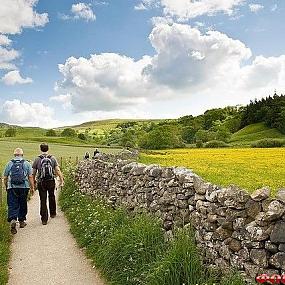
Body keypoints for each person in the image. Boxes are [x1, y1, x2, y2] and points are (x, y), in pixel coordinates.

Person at [3, 148, 34, 234]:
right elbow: (30, 176)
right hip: (24, 187)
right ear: (22, 155)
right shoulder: (27, 163)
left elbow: (5, 177)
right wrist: (32, 187)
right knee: (22, 203)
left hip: (12, 187)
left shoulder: (9, 163)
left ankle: (13, 219)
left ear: (14, 155)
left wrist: (6, 186)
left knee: (12, 204)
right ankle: (21, 221)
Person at [32, 143, 64, 225]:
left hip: (41, 182)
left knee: (43, 199)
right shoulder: (52, 158)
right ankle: (53, 213)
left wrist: (33, 183)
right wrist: (61, 179)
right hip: (51, 181)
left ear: (40, 149)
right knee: (52, 195)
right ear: (48, 149)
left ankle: (44, 219)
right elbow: (57, 170)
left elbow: (33, 173)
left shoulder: (37, 159)